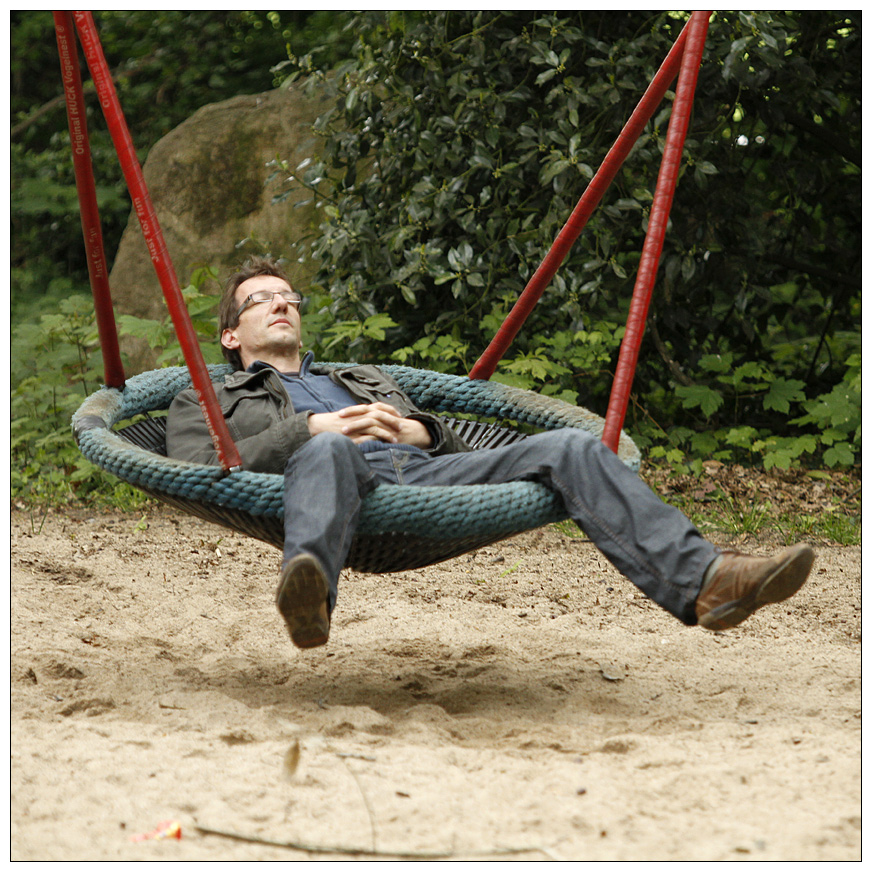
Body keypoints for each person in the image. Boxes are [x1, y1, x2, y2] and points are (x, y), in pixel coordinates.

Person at [166, 256, 815, 650]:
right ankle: (309, 597)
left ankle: (706, 582)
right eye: (261, 300)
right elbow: (195, 463)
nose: (282, 302)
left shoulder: (357, 376)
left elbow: (446, 435)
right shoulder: (210, 391)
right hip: (331, 485)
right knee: (329, 452)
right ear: (230, 332)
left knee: (568, 447)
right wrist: (316, 430)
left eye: (289, 297)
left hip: (424, 476)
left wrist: (420, 432)